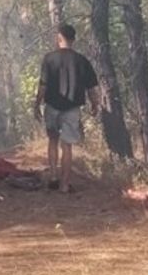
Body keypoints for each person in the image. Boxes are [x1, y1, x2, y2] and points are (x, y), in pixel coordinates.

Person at [34, 24, 100, 193]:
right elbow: (92, 88)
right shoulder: (81, 60)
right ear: (73, 39)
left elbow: (43, 85)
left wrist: (37, 104)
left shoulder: (49, 58)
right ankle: (64, 185)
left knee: (52, 141)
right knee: (67, 146)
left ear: (59, 38)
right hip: (72, 108)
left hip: (52, 106)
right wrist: (95, 104)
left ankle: (54, 176)